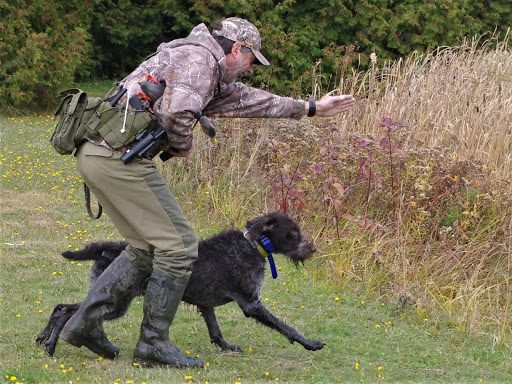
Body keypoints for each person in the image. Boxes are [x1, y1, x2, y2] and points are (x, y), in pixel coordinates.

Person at [59, 17, 355, 368]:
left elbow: (249, 101)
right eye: (250, 60)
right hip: (115, 158)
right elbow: (176, 114)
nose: (249, 69)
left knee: (147, 246)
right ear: (236, 49)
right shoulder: (198, 61)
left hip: (104, 154)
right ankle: (152, 343)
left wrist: (310, 108)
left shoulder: (204, 69)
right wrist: (182, 145)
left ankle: (84, 323)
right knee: (180, 246)